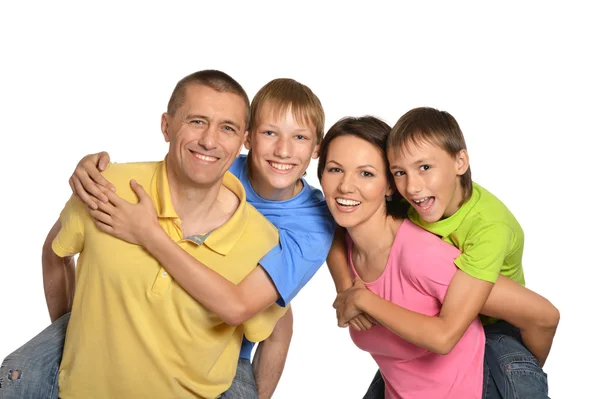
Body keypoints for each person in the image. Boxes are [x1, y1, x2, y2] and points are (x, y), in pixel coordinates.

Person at [0, 77, 335, 399]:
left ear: (316, 147)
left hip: (225, 338)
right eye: (270, 133)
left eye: (300, 138)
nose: (283, 150)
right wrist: (93, 167)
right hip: (142, 318)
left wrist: (147, 233)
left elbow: (245, 310)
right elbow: (172, 163)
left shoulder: (308, 227)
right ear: (249, 139)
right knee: (18, 372)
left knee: (276, 317)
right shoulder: (219, 160)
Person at [327, 107, 559, 398]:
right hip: (417, 365)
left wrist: (522, 369)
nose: (412, 186)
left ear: (460, 161)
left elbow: (447, 335)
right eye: (401, 172)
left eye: (425, 167)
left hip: (497, 326)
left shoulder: (487, 229)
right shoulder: (417, 202)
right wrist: (346, 288)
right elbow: (333, 227)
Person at [318, 116, 486, 398]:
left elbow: (535, 312)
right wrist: (345, 286)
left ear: (390, 185)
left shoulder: (423, 254)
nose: (345, 186)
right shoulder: (340, 244)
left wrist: (362, 299)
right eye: (335, 169)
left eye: (366, 173)